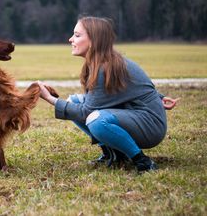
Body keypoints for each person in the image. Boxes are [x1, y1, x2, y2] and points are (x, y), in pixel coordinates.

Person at [37, 16, 179, 172]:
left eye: (77, 35)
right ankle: (114, 153)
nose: (70, 39)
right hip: (134, 114)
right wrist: (160, 97)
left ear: (93, 40)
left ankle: (142, 161)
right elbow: (133, 87)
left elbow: (86, 112)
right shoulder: (104, 62)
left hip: (150, 126)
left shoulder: (106, 67)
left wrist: (50, 99)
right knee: (74, 100)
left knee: (96, 120)